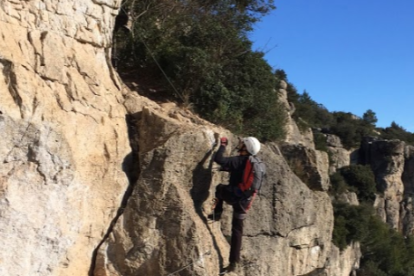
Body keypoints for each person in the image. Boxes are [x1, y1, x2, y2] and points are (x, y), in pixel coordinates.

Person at [209, 136, 261, 274]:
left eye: (243, 144)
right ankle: (233, 263)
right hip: (246, 201)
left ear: (246, 147)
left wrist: (223, 146)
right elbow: (237, 171)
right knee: (237, 231)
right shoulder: (254, 162)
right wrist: (223, 169)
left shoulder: (240, 160)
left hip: (235, 197)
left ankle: (217, 213)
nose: (240, 145)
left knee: (220, 189)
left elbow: (219, 159)